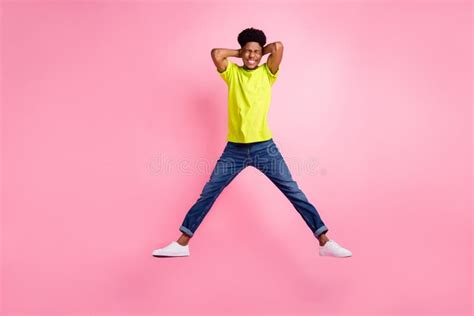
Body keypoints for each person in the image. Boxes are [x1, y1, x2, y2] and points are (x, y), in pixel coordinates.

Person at [152, 27, 352, 258]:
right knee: (209, 193)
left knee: (293, 191)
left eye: (256, 52)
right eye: (248, 52)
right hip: (234, 150)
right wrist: (243, 50)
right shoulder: (232, 74)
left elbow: (277, 47)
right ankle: (182, 243)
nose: (251, 56)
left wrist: (258, 50)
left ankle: (324, 241)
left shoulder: (267, 73)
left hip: (264, 148)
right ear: (241, 51)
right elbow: (217, 53)